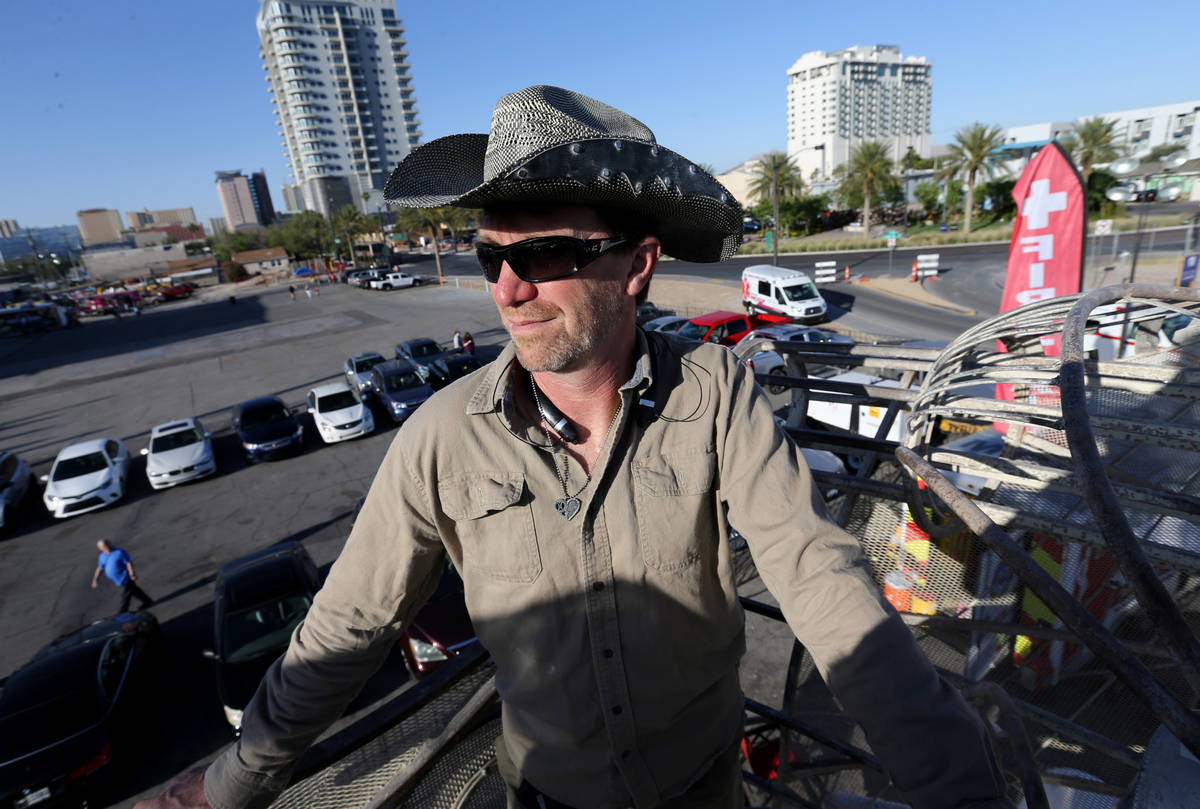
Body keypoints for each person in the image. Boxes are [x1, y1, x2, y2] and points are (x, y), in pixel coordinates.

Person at [138, 86, 1007, 809]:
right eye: (491, 258)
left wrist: (957, 786)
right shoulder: (441, 438)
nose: (510, 288)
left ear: (636, 267)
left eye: (547, 252)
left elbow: (820, 578)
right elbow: (349, 622)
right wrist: (229, 782)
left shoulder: (714, 392)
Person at [91, 539, 153, 613]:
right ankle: (147, 601)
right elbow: (99, 568)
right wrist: (95, 580)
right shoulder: (102, 556)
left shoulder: (119, 552)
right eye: (103, 547)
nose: (105, 547)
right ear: (100, 548)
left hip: (125, 577)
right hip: (117, 580)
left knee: (126, 595)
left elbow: (128, 563)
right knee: (134, 590)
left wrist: (131, 574)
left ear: (109, 544)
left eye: (106, 545)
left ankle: (122, 612)